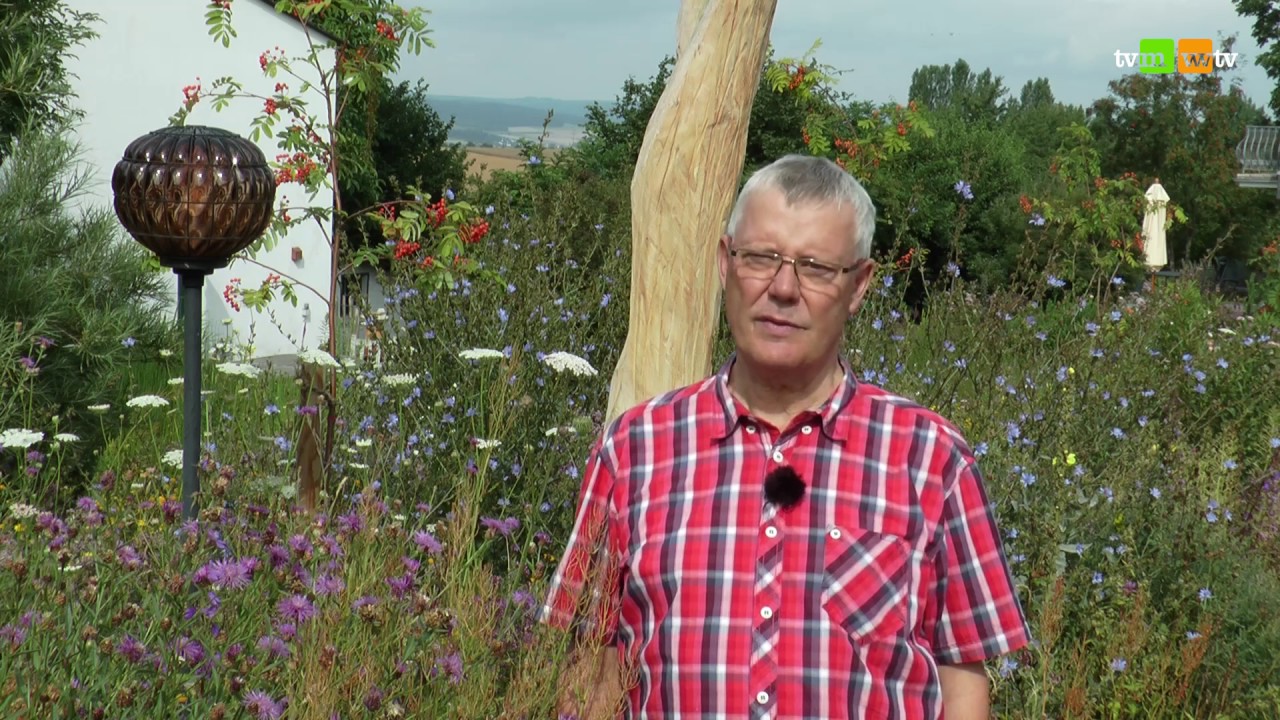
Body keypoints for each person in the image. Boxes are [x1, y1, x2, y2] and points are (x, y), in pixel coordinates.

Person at [541, 154, 1032, 719]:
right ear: (726, 263)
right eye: (761, 258)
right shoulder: (634, 449)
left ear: (860, 286)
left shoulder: (930, 460)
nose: (782, 288)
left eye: (817, 268)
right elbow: (587, 666)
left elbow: (960, 675)